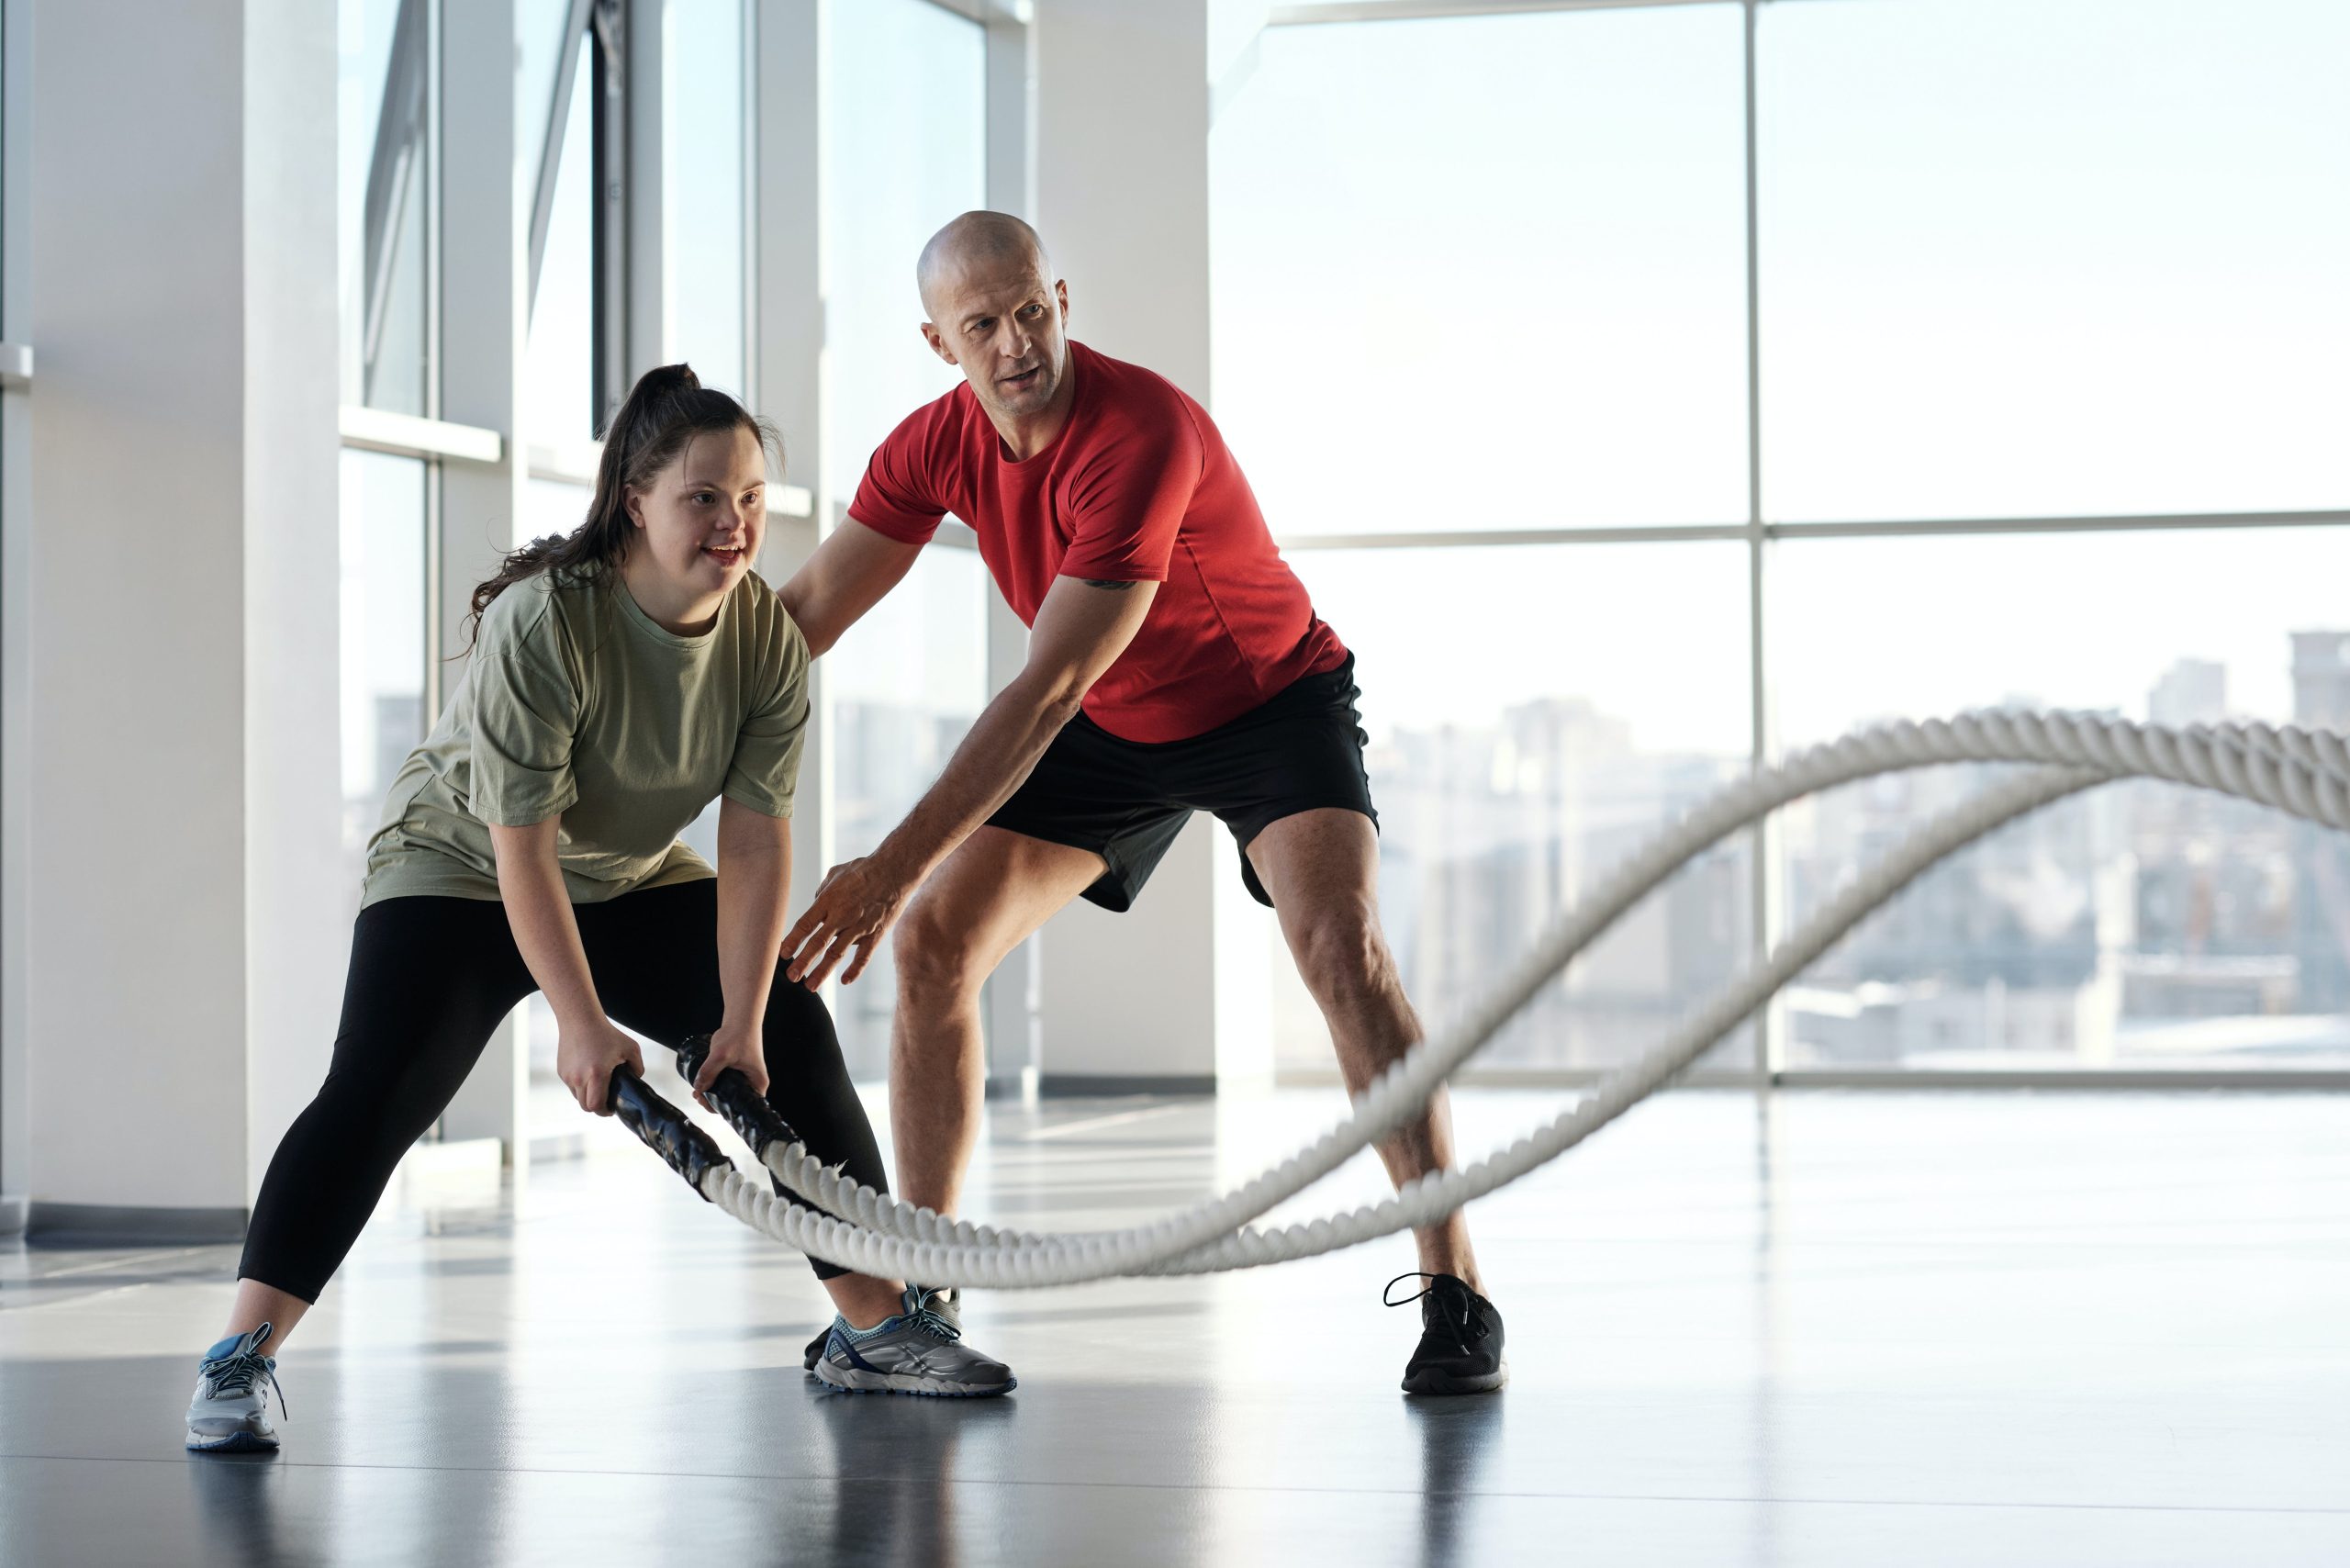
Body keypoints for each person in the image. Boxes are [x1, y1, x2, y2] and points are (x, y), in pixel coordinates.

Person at [186, 366, 1013, 1455]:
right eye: (705, 498)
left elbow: (756, 836)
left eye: (754, 498)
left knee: (796, 1029)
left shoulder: (762, 636)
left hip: (622, 871)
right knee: (381, 1087)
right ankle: (239, 1358)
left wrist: (743, 1017)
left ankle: (873, 1329)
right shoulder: (547, 622)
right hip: (462, 865)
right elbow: (519, 846)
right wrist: (580, 1022)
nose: (736, 523)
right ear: (636, 498)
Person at [777, 213, 1505, 1396]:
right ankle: (917, 1302)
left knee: (1341, 948)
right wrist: (647, 705)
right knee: (936, 945)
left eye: (1030, 309)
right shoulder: (930, 446)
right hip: (1115, 725)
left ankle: (1455, 1286)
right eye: (981, 326)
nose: (1016, 342)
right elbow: (802, 614)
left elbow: (1048, 685)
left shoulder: (1141, 432)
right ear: (936, 343)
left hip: (1265, 704)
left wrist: (885, 862)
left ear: (1059, 296)